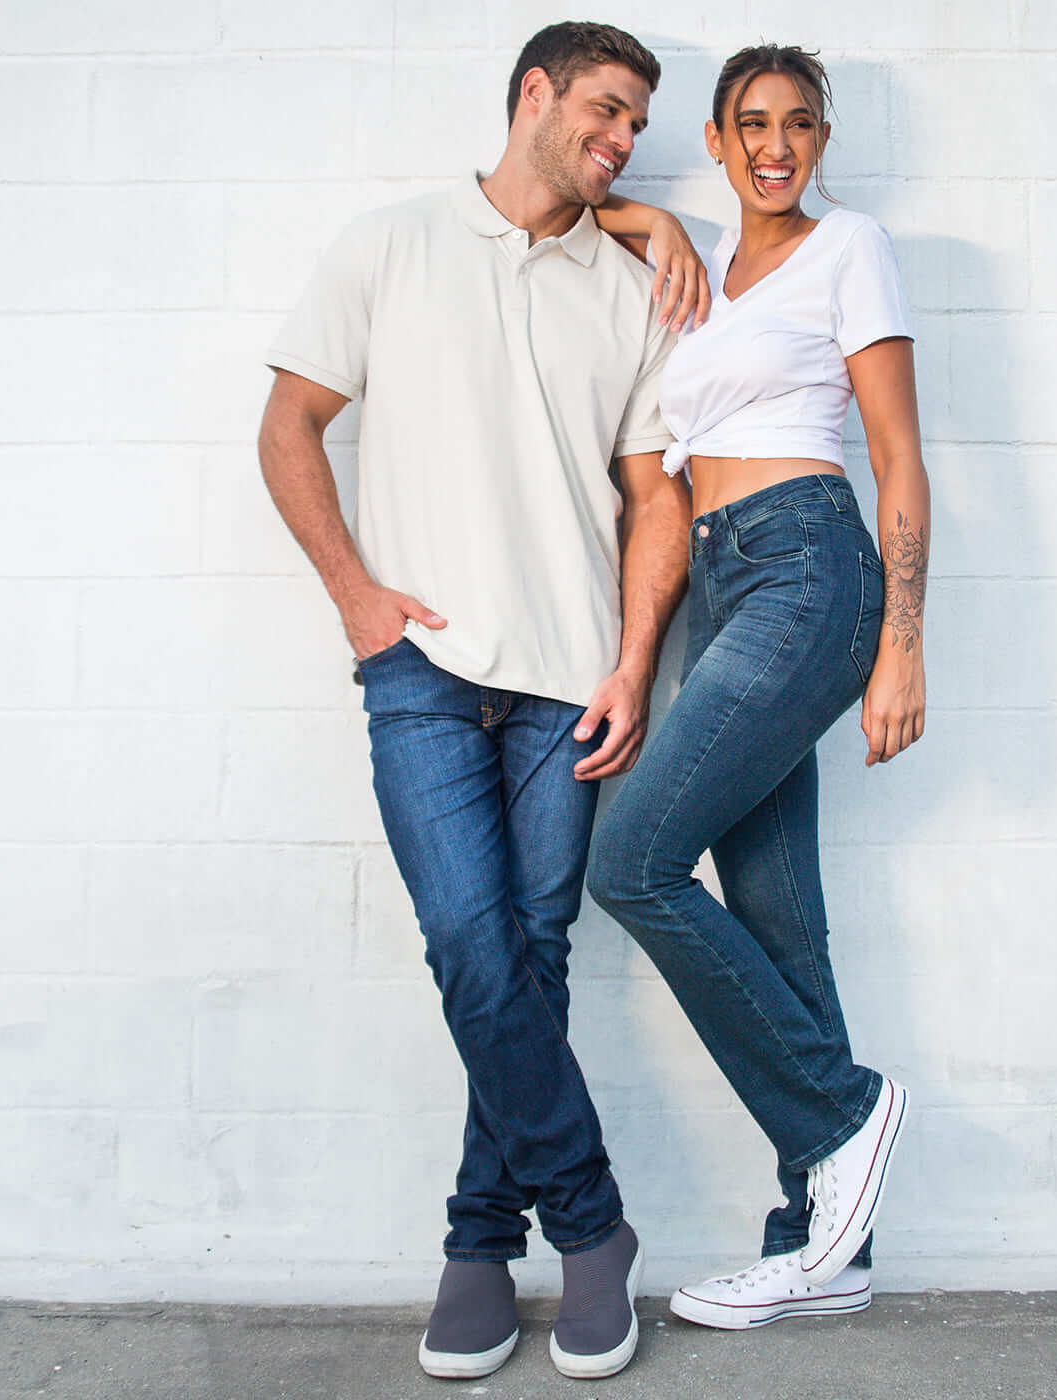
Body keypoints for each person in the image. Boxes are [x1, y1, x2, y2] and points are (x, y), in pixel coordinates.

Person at [255, 21, 711, 1382]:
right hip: (426, 672)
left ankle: (473, 1242)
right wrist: (357, 596)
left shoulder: (635, 286)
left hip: (571, 680)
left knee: (528, 963)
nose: (624, 138)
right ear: (535, 95)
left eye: (637, 124)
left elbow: (654, 500)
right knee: (471, 944)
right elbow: (288, 427)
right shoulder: (389, 245)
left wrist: (632, 664)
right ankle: (592, 1228)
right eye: (609, 110)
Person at [585, 43, 931, 1331]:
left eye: (798, 125)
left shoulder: (854, 251)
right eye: (751, 128)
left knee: (631, 862)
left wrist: (900, 642)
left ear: (821, 141)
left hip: (808, 567)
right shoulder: (701, 273)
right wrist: (651, 213)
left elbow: (900, 458)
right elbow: (573, 201)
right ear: (722, 146)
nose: (776, 147)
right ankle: (821, 1241)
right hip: (721, 587)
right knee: (774, 909)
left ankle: (844, 1113)